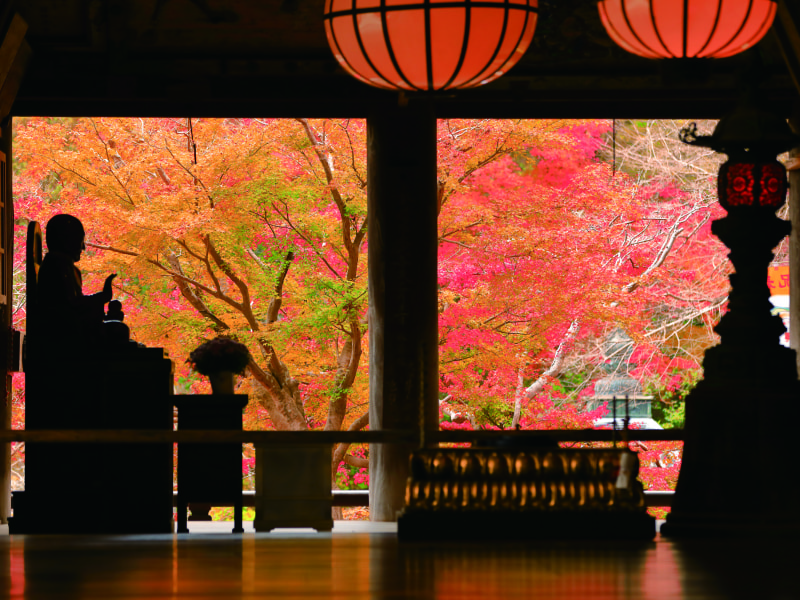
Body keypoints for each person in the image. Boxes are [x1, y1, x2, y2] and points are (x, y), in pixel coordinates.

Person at [37, 214, 117, 352]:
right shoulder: (58, 265)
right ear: (67, 240)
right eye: (80, 240)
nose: (83, 247)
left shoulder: (63, 265)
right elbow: (71, 305)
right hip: (63, 339)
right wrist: (101, 298)